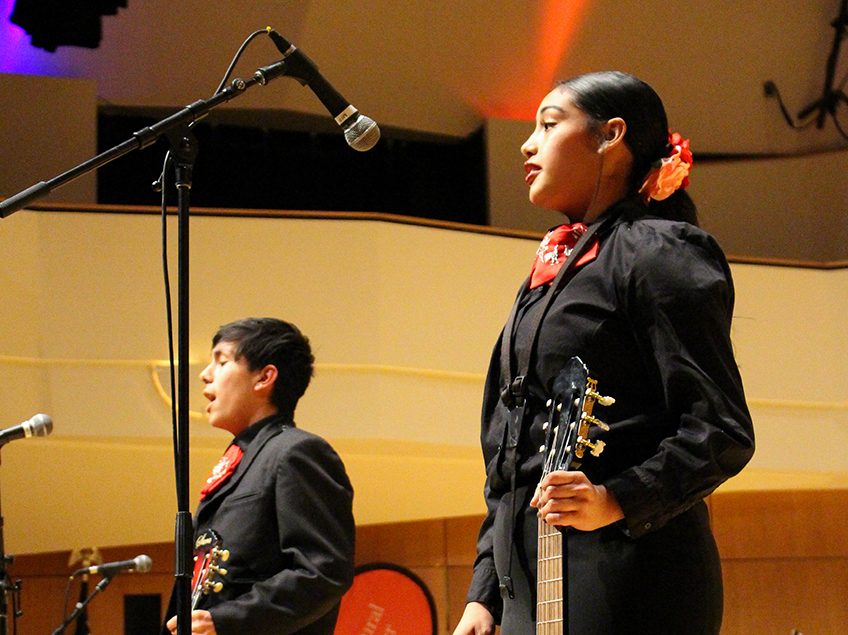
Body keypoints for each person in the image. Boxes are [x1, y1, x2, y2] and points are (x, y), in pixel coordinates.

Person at [453, 71, 755, 634]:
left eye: (548, 124)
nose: (527, 143)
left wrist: (617, 498)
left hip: (630, 570)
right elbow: (509, 455)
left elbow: (721, 429)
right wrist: (485, 592)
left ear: (610, 136)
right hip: (528, 579)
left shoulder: (659, 250)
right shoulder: (547, 276)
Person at [164, 317, 355, 635]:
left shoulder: (296, 452)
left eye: (221, 361)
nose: (204, 375)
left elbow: (322, 571)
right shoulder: (245, 459)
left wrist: (227, 621)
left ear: (265, 377)